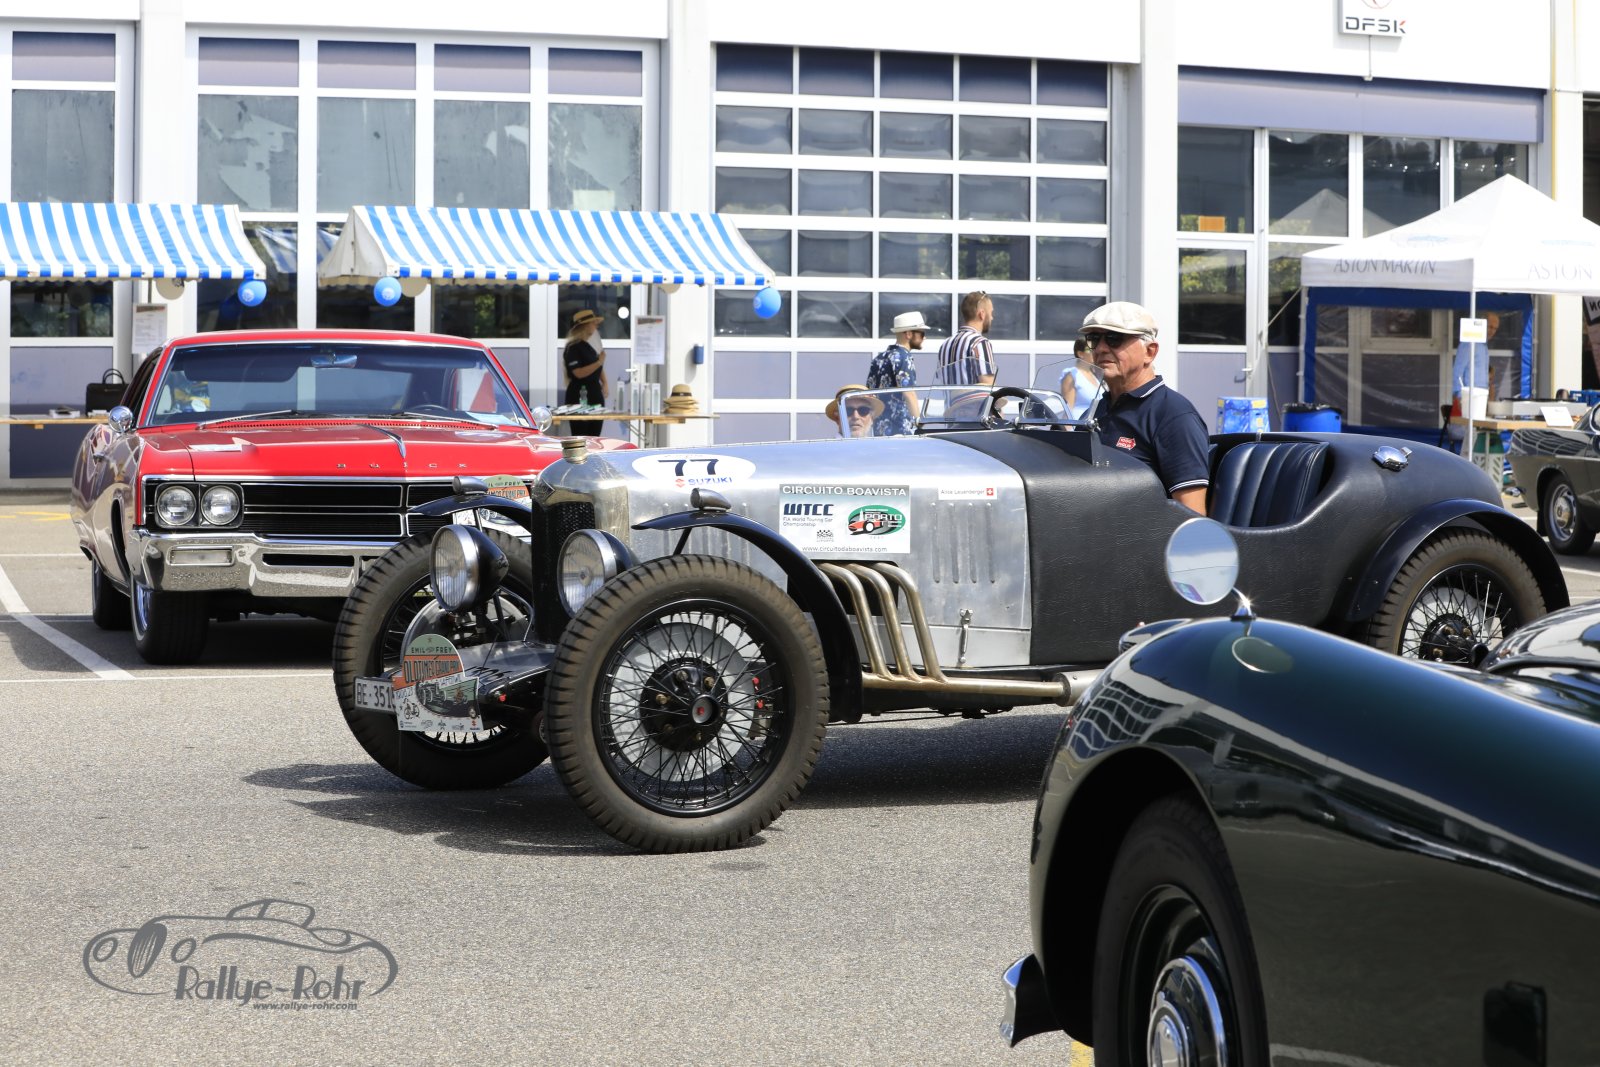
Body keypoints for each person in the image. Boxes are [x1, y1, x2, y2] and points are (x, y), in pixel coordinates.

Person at [1082, 301, 1209, 513]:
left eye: (1114, 338)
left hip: (1140, 533)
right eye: (1094, 339)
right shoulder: (1096, 410)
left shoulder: (1173, 415)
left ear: (1150, 352)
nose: (1101, 348)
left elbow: (1192, 516)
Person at [866, 311, 927, 436]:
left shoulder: (878, 359)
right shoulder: (904, 357)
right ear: (908, 334)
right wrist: (919, 424)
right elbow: (909, 393)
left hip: (879, 431)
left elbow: (869, 395)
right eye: (922, 333)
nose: (924, 338)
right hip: (900, 430)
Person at [935, 292, 996, 386]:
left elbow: (941, 380)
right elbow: (988, 387)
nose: (992, 318)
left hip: (950, 396)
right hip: (973, 397)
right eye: (991, 313)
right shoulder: (980, 343)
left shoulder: (945, 344)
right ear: (982, 314)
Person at [562, 308, 607, 436]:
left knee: (594, 436)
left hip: (594, 393)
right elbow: (578, 373)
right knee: (581, 436)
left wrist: (605, 382)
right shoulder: (573, 348)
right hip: (579, 396)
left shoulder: (589, 346)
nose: (596, 326)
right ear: (585, 326)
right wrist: (599, 362)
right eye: (593, 323)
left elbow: (598, 367)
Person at [1451, 311, 1501, 419]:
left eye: (1495, 329)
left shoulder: (1483, 346)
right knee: (1470, 427)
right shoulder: (1469, 343)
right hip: (1468, 397)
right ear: (1482, 324)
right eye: (1490, 327)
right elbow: (1457, 372)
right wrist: (1459, 396)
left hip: (1480, 397)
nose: (1492, 331)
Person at [1059, 336, 1099, 420]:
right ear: (1080, 354)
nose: (1094, 352)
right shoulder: (1072, 375)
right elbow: (1068, 410)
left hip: (1093, 424)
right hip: (1078, 423)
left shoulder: (1095, 375)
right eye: (1090, 349)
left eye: (1095, 348)